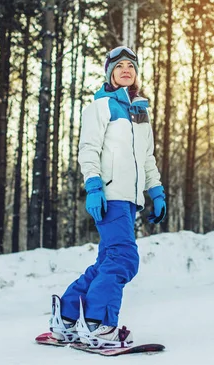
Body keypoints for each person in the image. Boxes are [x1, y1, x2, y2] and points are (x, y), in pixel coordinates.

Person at [49, 46, 166, 348]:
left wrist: (156, 191)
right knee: (124, 258)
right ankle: (100, 324)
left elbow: (147, 157)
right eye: (120, 66)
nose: (126, 70)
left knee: (108, 260)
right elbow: (88, 149)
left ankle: (69, 317)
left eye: (131, 65)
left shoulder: (140, 112)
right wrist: (94, 187)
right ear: (110, 72)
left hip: (130, 198)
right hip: (110, 193)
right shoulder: (100, 106)